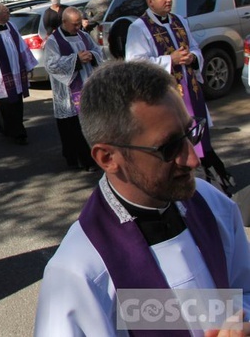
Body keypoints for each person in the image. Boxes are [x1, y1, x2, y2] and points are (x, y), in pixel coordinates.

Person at [34, 61, 250, 336]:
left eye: (190, 133)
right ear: (108, 158)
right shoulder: (80, 271)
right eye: (169, 147)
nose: (193, 159)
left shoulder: (211, 204)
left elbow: (244, 291)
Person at [125, 0, 233, 195]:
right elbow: (135, 64)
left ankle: (207, 184)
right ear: (150, 1)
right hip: (166, 95)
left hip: (190, 91)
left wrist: (193, 56)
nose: (168, 0)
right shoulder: (139, 28)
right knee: (175, 140)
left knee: (199, 138)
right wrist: (169, 60)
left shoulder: (179, 21)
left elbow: (193, 47)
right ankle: (181, 183)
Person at [44, 7, 103, 170]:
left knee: (89, 124)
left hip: (87, 86)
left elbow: (98, 51)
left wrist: (92, 55)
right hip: (67, 91)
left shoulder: (83, 35)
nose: (78, 27)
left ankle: (92, 157)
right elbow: (51, 65)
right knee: (73, 128)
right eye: (74, 24)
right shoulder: (53, 41)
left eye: (79, 24)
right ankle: (78, 159)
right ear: (64, 22)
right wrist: (75, 60)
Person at [0, 4, 37, 145]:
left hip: (16, 71)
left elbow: (22, 46)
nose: (9, 13)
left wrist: (28, 65)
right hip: (0, 76)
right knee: (7, 105)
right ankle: (19, 134)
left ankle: (3, 126)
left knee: (16, 102)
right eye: (6, 12)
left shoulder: (12, 26)